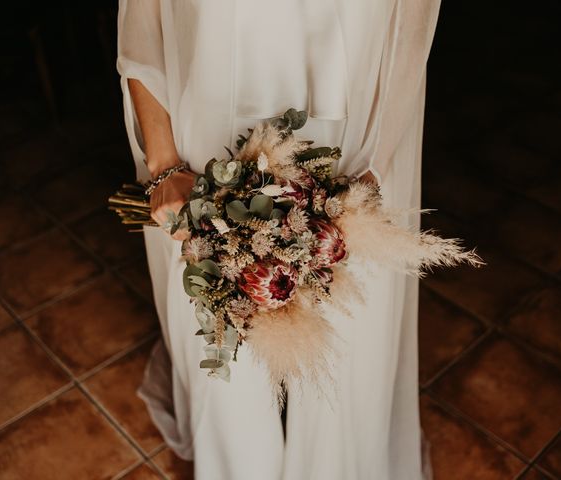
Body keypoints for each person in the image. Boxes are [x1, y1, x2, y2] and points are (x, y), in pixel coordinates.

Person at [116, 1, 441, 478]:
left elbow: (410, 24)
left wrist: (375, 165)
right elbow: (140, 22)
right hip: (207, 142)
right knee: (221, 346)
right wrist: (163, 165)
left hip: (353, 144)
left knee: (349, 343)